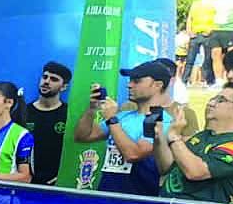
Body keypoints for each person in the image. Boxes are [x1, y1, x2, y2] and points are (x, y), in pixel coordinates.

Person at [74, 60, 172, 196]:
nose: (129, 85)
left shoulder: (163, 120)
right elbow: (83, 136)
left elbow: (133, 154)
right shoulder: (123, 116)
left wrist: (111, 120)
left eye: (137, 81)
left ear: (158, 85)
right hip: (107, 194)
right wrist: (92, 109)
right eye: (130, 80)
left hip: (138, 199)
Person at [155, 82, 233, 204]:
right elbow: (166, 167)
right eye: (213, 98)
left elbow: (195, 172)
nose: (210, 103)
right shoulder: (204, 135)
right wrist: (159, 137)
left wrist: (175, 137)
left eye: (221, 100)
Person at [25, 61, 71, 184]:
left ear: (64, 87)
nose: (46, 81)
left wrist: (64, 174)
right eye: (45, 77)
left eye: (54, 79)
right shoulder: (24, 112)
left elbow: (74, 149)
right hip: (25, 182)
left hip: (57, 183)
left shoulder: (69, 114)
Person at [185, 0, 217, 85]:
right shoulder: (196, 3)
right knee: (190, 59)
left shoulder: (216, 3)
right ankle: (184, 80)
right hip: (195, 34)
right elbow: (190, 17)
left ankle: (210, 81)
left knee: (208, 59)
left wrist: (211, 30)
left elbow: (218, 18)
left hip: (208, 34)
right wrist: (189, 31)